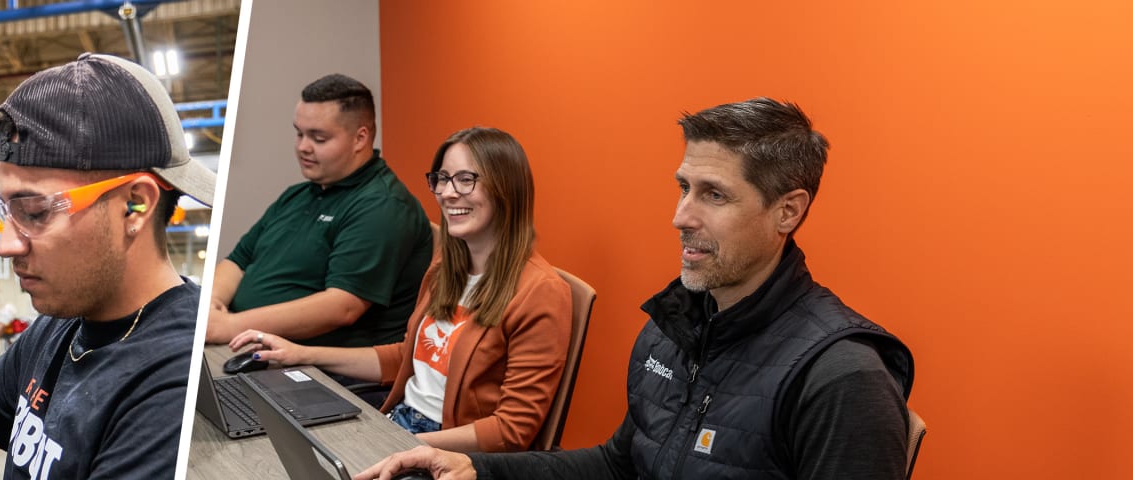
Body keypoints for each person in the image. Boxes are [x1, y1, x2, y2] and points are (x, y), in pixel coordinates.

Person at [355, 98, 915, 480]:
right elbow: (620, 464)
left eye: (714, 195)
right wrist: (479, 468)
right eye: (683, 188)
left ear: (788, 211)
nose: (680, 216)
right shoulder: (671, 330)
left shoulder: (844, 379)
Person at [0, 53, 216, 479]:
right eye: (4, 211)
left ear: (135, 204)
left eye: (34, 212)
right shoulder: (58, 325)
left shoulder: (172, 381)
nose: (8, 245)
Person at [228, 127, 573, 453]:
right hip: (400, 425)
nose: (448, 193)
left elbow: (512, 432)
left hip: (444, 450)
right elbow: (405, 358)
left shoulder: (541, 292)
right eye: (442, 179)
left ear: (506, 188)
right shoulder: (445, 270)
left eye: (466, 180)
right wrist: (302, 354)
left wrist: (401, 445)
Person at [204, 74, 433, 354]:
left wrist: (227, 326)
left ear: (360, 138)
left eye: (319, 138)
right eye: (300, 133)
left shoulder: (382, 206)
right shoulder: (298, 195)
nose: (303, 147)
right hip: (245, 345)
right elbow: (238, 261)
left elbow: (342, 307)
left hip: (322, 370)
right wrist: (212, 304)